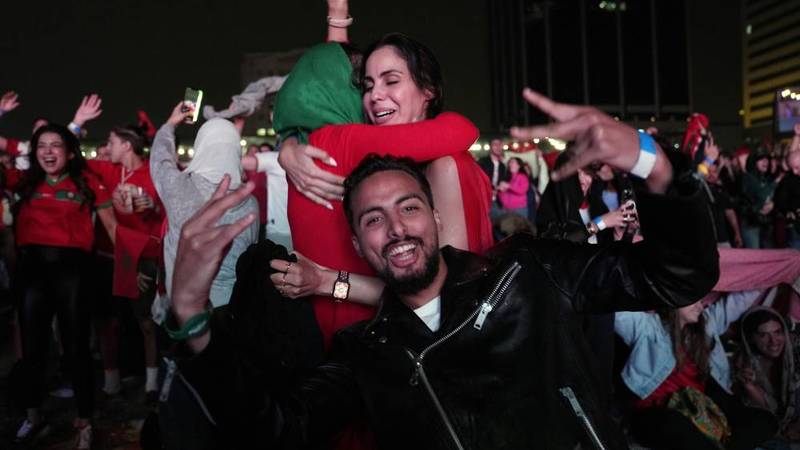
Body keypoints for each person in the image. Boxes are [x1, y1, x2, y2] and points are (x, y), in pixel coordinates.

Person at [167, 89, 720, 449]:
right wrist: (192, 316)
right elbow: (277, 429)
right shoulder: (367, 352)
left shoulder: (528, 273)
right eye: (374, 219)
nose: (396, 228)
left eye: (408, 208)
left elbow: (677, 278)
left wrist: (654, 164)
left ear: (434, 216)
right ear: (357, 243)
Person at [269, 33, 492, 347]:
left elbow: (447, 299)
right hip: (382, 343)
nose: (374, 96)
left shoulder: (445, 165)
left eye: (391, 81)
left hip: (427, 347)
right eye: (366, 86)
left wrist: (327, 282)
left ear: (428, 90)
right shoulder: (355, 148)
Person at [9, 124, 117, 449]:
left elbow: (112, 228)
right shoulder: (23, 182)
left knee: (76, 348)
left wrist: (131, 268)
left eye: (56, 145)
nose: (48, 151)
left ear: (70, 152)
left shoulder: (88, 183)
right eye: (42, 145)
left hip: (74, 274)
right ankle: (33, 416)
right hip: (32, 273)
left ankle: (85, 420)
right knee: (32, 349)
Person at [615, 291, 776, 449]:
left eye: (701, 301)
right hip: (655, 414)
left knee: (766, 421)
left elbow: (738, 301)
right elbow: (614, 308)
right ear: (674, 299)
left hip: (697, 410)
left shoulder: (704, 328)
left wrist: (774, 273)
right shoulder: (648, 327)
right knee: (675, 424)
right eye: (694, 301)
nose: (700, 306)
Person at [150, 102, 259, 309]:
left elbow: (160, 160)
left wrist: (170, 124)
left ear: (200, 146)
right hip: (233, 307)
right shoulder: (250, 201)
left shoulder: (179, 187)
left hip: (184, 307)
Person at [735, 307, 800, 447]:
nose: (773, 341)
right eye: (763, 335)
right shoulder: (746, 366)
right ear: (751, 339)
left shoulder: (796, 351)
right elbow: (768, 414)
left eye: (777, 332)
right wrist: (750, 387)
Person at [742, 149, 777, 249]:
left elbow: (772, 197)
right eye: (761, 159)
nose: (765, 162)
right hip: (751, 223)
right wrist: (776, 182)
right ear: (753, 162)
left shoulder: (767, 178)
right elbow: (761, 195)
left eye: (767, 159)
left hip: (766, 223)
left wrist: (773, 204)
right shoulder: (748, 177)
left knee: (769, 255)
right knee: (755, 255)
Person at [774, 151, 800, 249]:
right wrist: (788, 211)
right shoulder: (788, 179)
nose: (794, 171)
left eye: (797, 167)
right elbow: (779, 200)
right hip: (797, 227)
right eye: (792, 168)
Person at [478, 138, 508, 218]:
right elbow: (478, 181)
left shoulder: (502, 166)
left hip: (497, 200)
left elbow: (503, 181)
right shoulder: (482, 162)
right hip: (483, 199)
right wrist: (493, 188)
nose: (498, 147)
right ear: (490, 147)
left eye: (500, 144)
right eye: (495, 144)